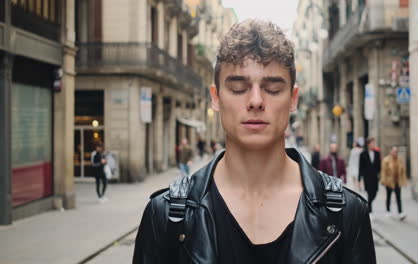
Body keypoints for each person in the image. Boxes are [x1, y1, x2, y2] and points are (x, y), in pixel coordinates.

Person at [133, 19, 375, 264]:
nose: (256, 101)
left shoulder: (347, 214)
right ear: (216, 98)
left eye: (272, 88)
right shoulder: (165, 215)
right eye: (238, 88)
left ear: (293, 99)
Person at [381, 146, 407, 221]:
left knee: (398, 197)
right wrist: (384, 181)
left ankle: (400, 212)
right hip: (389, 182)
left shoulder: (400, 160)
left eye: (396, 151)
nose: (395, 153)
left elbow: (403, 171)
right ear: (391, 152)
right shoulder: (386, 160)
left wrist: (404, 181)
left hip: (397, 182)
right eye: (394, 151)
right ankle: (388, 211)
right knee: (388, 196)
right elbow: (383, 172)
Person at [359, 137, 381, 219]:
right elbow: (360, 167)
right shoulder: (363, 154)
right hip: (367, 177)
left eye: (374, 143)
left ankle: (367, 204)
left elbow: (379, 165)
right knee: (369, 193)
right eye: (372, 143)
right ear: (368, 144)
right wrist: (359, 179)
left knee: (375, 192)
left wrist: (379, 173)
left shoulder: (377, 153)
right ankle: (370, 211)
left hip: (375, 177)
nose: (373, 145)